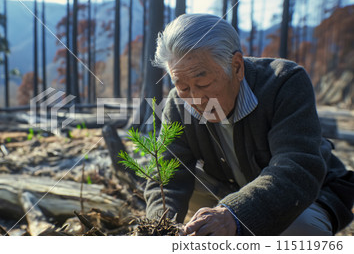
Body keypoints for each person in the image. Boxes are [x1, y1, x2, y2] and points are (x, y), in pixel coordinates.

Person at [144, 14, 354, 236]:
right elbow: (166, 178)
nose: (195, 98)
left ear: (237, 67)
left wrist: (233, 213)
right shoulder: (178, 103)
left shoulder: (285, 82)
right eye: (183, 87)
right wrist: (161, 228)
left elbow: (297, 166)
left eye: (203, 83)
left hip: (308, 193)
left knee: (302, 232)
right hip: (229, 188)